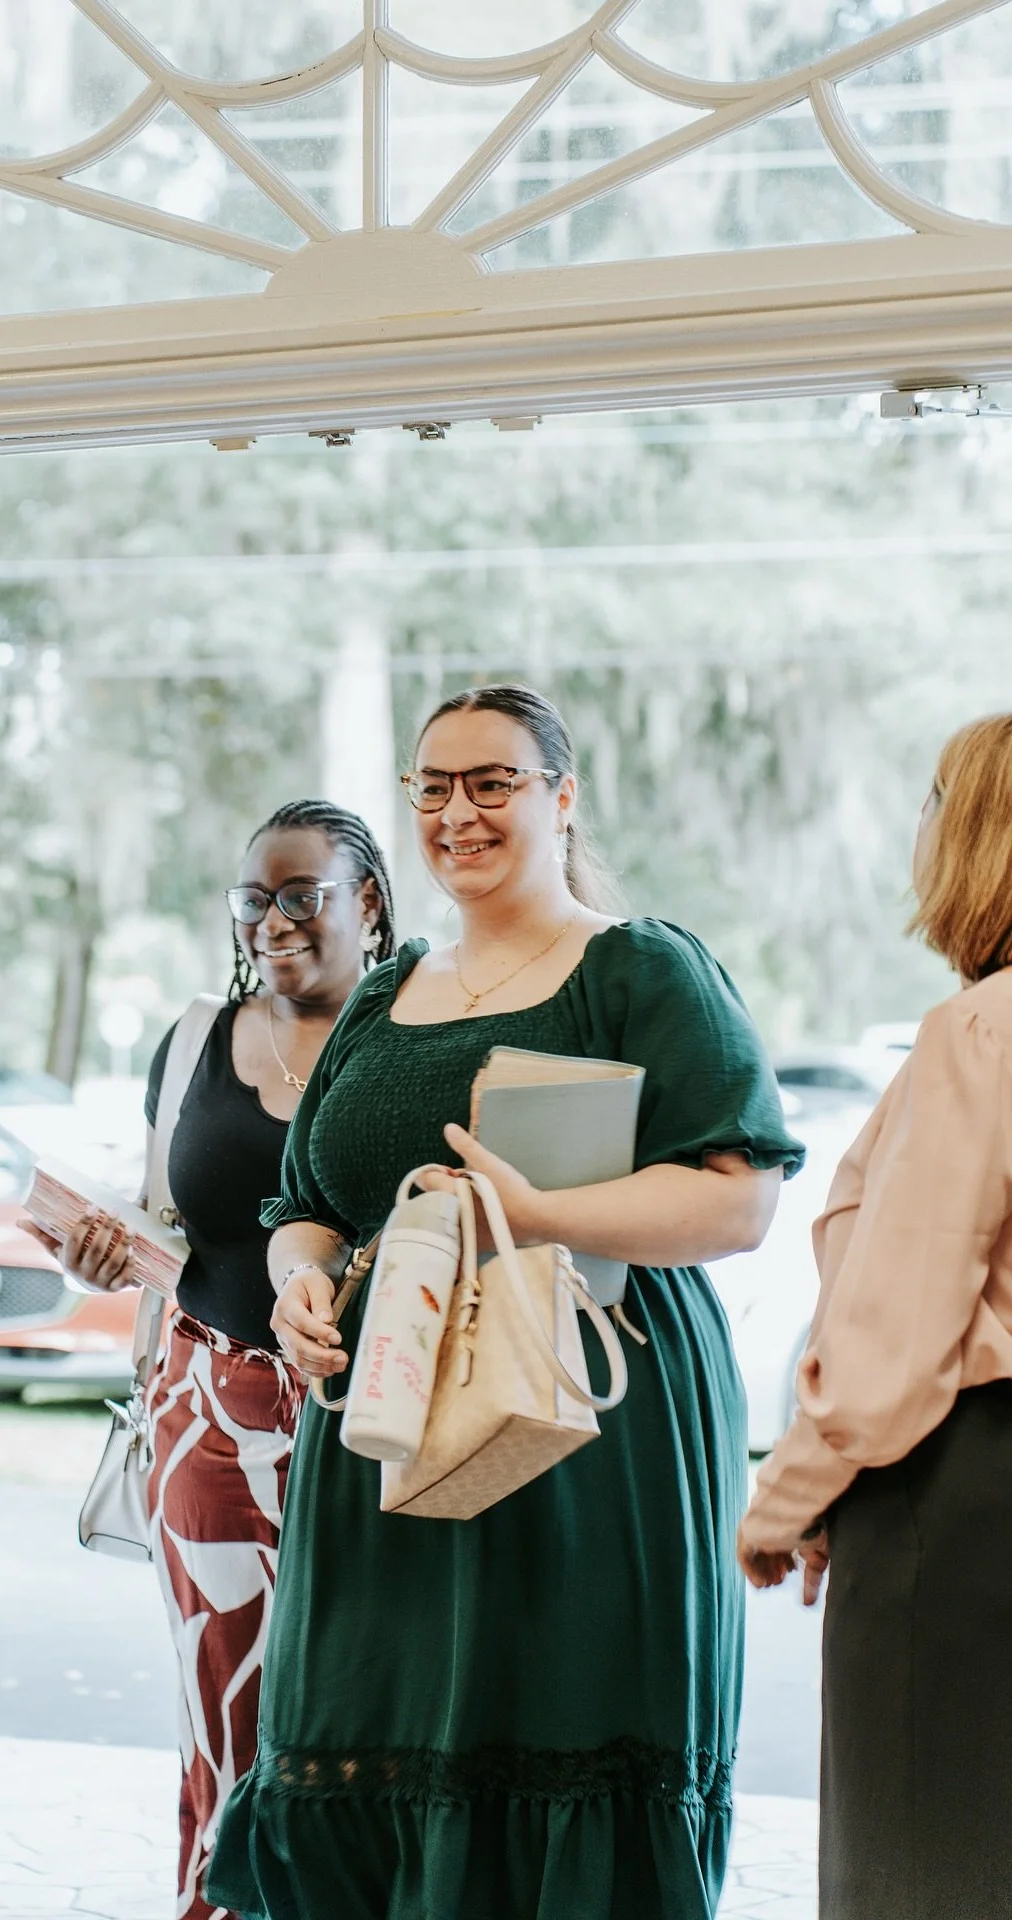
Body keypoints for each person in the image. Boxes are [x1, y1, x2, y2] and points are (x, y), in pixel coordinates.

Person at [207, 685, 804, 1920]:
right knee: (366, 1729)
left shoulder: (643, 968)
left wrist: (535, 1214)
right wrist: (302, 1285)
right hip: (384, 1423)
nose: (458, 812)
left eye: (494, 782)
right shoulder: (386, 994)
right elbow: (304, 1205)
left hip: (589, 1426)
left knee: (568, 1718)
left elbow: (736, 1203)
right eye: (433, 786)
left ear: (562, 797)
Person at [50, 801, 395, 1920]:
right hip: (206, 1414)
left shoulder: (411, 1035)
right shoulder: (197, 1036)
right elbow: (183, 1225)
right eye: (255, 899)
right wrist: (110, 1257)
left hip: (372, 1423)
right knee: (225, 1717)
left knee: (367, 1716)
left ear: (370, 903)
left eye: (304, 895)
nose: (275, 920)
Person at [740, 713, 1012, 1920]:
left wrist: (790, 1497)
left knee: (919, 1857)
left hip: (960, 1498)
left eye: (932, 803)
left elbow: (899, 1328)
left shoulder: (980, 1034)